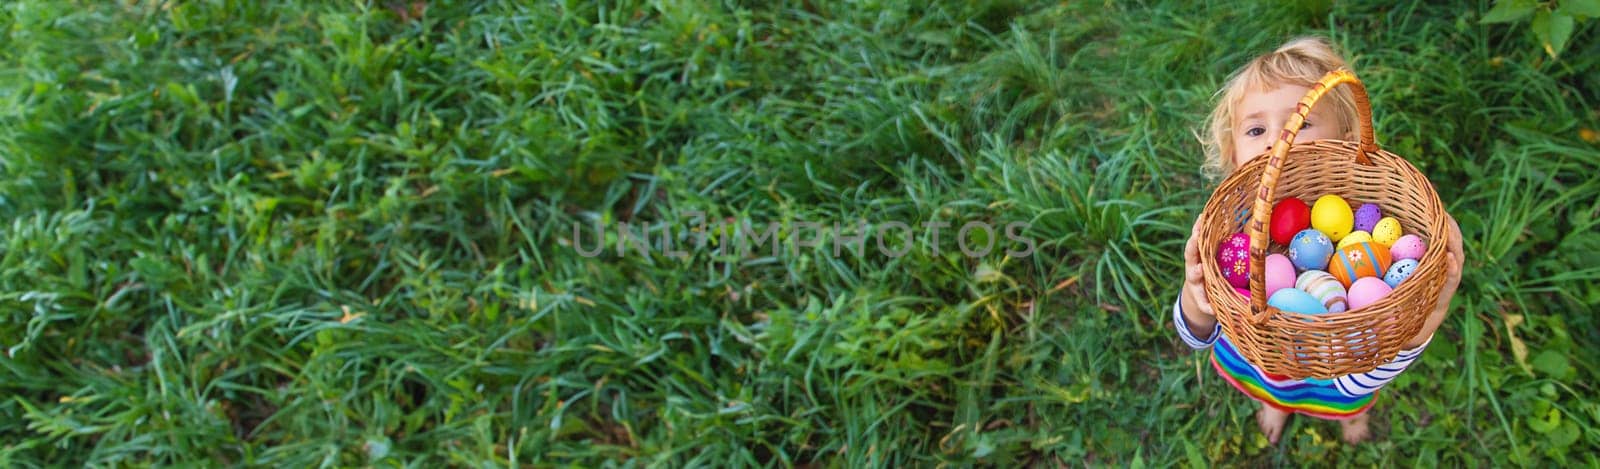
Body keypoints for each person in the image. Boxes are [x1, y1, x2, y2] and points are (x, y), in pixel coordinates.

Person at [1175, 36, 1465, 444]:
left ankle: (1350, 416)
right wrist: (1194, 294)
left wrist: (1428, 315)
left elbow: (1375, 338)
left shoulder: (1353, 215)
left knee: (1351, 396)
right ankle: (1275, 404)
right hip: (1261, 359)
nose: (1279, 140)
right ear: (1233, 152)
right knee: (1272, 388)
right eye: (1256, 129)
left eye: (1301, 122)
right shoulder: (1230, 234)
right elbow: (1195, 335)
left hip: (1348, 364)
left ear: (1345, 138)